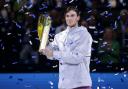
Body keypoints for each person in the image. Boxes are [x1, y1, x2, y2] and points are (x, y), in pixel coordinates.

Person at [39, 6, 93, 89]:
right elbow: (51, 55)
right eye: (67, 16)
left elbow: (77, 57)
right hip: (64, 85)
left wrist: (53, 53)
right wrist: (45, 46)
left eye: (72, 15)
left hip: (80, 84)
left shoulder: (84, 35)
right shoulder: (59, 36)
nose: (69, 18)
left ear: (78, 17)